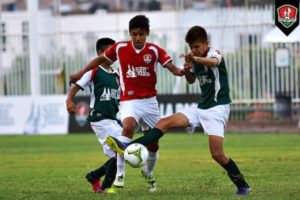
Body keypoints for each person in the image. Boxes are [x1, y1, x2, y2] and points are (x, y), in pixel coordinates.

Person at [106, 26, 252, 196]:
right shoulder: (195, 58)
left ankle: (243, 186)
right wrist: (189, 68)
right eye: (191, 47)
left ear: (206, 43)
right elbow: (190, 81)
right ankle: (127, 146)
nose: (194, 50)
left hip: (217, 108)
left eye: (197, 46)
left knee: (217, 154)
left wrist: (196, 59)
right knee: (164, 123)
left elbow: (213, 62)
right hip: (201, 107)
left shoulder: (214, 53)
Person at [69, 15, 185, 192]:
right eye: (133, 34)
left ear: (147, 33)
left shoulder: (154, 50)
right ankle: (119, 175)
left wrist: (182, 71)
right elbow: (100, 60)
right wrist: (80, 72)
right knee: (128, 126)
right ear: (129, 33)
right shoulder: (121, 48)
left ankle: (148, 172)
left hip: (150, 103)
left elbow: (174, 69)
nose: (137, 38)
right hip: (129, 101)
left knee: (154, 144)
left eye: (140, 34)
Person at [66, 37, 125, 194]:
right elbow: (76, 86)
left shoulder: (116, 74)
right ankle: (104, 187)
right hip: (100, 119)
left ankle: (94, 176)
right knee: (123, 150)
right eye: (110, 52)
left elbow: (120, 97)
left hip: (113, 119)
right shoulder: (94, 71)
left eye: (115, 53)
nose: (114, 56)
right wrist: (69, 101)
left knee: (119, 154)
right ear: (100, 53)